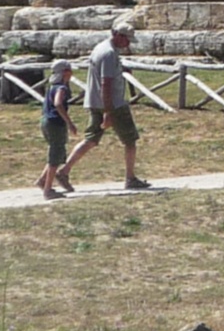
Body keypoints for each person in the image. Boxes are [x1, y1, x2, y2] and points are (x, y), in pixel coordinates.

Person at [64, 21, 148, 190]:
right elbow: (106, 84)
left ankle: (63, 171)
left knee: (91, 139)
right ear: (118, 35)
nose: (128, 44)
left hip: (95, 101)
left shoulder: (101, 48)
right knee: (130, 140)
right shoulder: (109, 54)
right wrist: (108, 112)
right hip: (113, 104)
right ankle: (130, 178)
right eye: (127, 40)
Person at [38, 57, 77, 199]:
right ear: (65, 72)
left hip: (46, 121)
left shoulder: (52, 87)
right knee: (55, 156)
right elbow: (58, 104)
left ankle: (43, 180)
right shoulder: (61, 88)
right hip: (55, 123)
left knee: (56, 152)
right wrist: (69, 122)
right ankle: (48, 190)